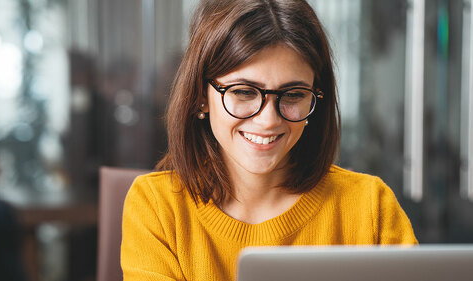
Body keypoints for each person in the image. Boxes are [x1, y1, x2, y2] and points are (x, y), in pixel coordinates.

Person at [121, 0, 418, 280]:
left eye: (293, 95)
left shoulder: (370, 206)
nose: (269, 120)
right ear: (201, 96)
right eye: (243, 92)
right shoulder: (157, 208)